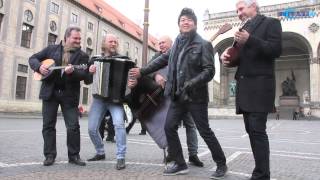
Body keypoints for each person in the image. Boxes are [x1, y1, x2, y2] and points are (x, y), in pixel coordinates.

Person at [129, 8, 227, 178]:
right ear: (179, 24)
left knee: (204, 131)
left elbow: (209, 71)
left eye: (189, 19)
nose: (186, 22)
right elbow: (160, 61)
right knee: (169, 127)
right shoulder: (175, 46)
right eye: (183, 20)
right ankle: (180, 163)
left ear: (194, 23)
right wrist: (143, 71)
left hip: (196, 96)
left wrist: (191, 83)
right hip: (177, 96)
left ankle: (221, 164)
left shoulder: (203, 44)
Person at [220, 0, 282, 179]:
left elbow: (276, 49)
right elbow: (241, 58)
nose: (238, 13)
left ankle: (262, 175)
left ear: (253, 5)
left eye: (241, 8)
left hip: (260, 87)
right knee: (252, 131)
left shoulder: (271, 23)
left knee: (257, 131)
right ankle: (261, 172)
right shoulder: (241, 31)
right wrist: (227, 57)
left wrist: (250, 39)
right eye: (236, 10)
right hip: (245, 88)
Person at [29, 26, 92, 166]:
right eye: (75, 38)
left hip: (69, 94)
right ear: (66, 37)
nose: (78, 41)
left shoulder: (83, 56)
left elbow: (84, 74)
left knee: (73, 126)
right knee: (48, 125)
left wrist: (72, 73)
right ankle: (50, 155)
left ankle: (74, 156)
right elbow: (32, 58)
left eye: (79, 39)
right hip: (50, 92)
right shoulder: (51, 49)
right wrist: (39, 67)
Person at [153, 35, 204, 167]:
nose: (161, 45)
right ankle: (172, 153)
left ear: (171, 44)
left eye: (163, 43)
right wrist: (156, 74)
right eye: (159, 43)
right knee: (170, 126)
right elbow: (149, 69)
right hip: (167, 97)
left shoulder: (181, 52)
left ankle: (193, 154)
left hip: (184, 95)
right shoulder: (156, 56)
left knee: (190, 125)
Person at [87, 34, 127, 170]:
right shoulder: (95, 59)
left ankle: (121, 157)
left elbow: (131, 77)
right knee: (92, 129)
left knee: (119, 125)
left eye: (116, 42)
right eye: (111, 41)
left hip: (116, 100)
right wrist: (90, 71)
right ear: (104, 43)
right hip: (99, 98)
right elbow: (87, 80)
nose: (114, 44)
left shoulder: (124, 60)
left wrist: (132, 81)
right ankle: (100, 151)